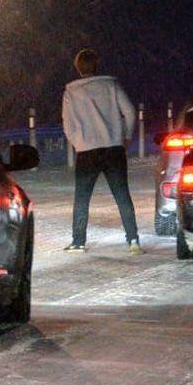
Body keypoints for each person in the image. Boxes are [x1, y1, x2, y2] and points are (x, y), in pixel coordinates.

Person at [62, 48, 141, 253]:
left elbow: (67, 124)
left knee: (82, 198)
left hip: (86, 151)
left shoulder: (71, 92)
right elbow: (130, 112)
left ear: (78, 68)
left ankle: (78, 241)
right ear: (96, 65)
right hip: (113, 148)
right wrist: (125, 137)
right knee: (122, 195)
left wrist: (78, 142)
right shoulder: (111, 85)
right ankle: (133, 240)